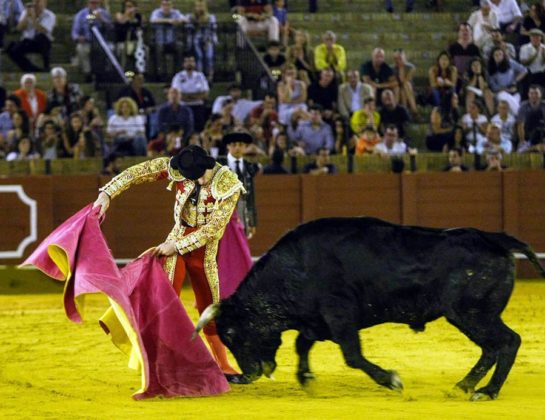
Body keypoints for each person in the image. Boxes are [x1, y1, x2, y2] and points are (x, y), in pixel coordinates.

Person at [92, 145, 249, 384]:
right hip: (175, 242)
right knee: (164, 299)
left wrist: (177, 245)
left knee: (210, 307)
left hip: (203, 251)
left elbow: (213, 230)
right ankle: (160, 362)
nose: (193, 181)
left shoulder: (228, 184)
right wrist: (107, 193)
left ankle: (223, 364)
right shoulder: (179, 167)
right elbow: (139, 172)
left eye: (196, 176)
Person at [220, 131, 259, 238]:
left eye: (241, 145)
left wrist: (252, 222)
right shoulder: (219, 165)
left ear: (245, 147)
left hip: (243, 211)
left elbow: (251, 197)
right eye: (234, 145)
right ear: (228, 146)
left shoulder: (249, 166)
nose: (237, 148)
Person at [5, 0, 55, 72]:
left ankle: (46, 66)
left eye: (38, 2)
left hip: (43, 42)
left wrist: (33, 18)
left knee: (41, 37)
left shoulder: (50, 15)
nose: (36, 4)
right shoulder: (25, 13)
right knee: (11, 49)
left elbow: (43, 30)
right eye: (35, 1)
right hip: (28, 41)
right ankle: (31, 69)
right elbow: (19, 28)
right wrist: (26, 16)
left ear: (44, 3)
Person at [71, 0, 112, 81]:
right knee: (81, 48)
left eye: (96, 3)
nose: (94, 5)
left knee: (109, 49)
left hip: (101, 42)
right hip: (87, 41)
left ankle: (102, 74)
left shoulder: (105, 14)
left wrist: (101, 19)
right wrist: (78, 38)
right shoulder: (80, 14)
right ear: (88, 3)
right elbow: (74, 32)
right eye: (92, 3)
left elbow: (111, 28)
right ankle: (88, 73)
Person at [150, 0, 187, 80]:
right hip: (159, 41)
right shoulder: (157, 12)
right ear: (161, 5)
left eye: (168, 5)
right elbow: (153, 20)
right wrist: (168, 21)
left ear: (171, 6)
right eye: (164, 5)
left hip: (172, 41)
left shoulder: (175, 13)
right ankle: (161, 74)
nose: (166, 7)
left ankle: (178, 73)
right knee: (158, 49)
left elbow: (185, 19)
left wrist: (179, 21)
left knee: (180, 46)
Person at [171, 53, 209, 131]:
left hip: (198, 107)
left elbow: (205, 94)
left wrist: (188, 96)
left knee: (198, 129)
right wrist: (196, 96)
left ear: (195, 63)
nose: (189, 63)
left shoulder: (200, 76)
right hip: (183, 107)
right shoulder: (178, 77)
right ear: (183, 64)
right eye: (187, 61)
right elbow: (177, 94)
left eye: (191, 61)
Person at [487, 47, 527, 115]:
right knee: (505, 98)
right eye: (496, 55)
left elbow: (524, 70)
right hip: (500, 92)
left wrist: (515, 81)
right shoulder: (490, 68)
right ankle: (523, 116)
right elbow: (494, 86)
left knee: (513, 103)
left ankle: (519, 118)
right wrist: (506, 90)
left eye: (500, 54)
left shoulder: (510, 62)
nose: (498, 57)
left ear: (503, 55)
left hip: (513, 90)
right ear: (492, 57)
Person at [187, 0, 217, 81]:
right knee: (199, 57)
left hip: (208, 40)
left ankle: (210, 76)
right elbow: (188, 28)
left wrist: (211, 40)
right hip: (196, 40)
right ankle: (200, 76)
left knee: (209, 57)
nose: (200, 8)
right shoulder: (191, 17)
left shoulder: (210, 17)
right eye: (198, 6)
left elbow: (213, 29)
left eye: (202, 6)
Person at [447, 23, 481, 91]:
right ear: (458, 33)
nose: (465, 32)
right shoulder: (452, 47)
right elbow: (449, 64)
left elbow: (478, 64)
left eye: (467, 30)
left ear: (471, 32)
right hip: (455, 78)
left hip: (471, 78)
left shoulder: (475, 48)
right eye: (462, 30)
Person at [114, 0, 144, 70]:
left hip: (134, 41)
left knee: (141, 49)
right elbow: (121, 21)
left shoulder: (138, 16)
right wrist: (127, 14)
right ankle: (123, 70)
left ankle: (139, 71)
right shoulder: (119, 14)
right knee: (125, 49)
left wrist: (133, 15)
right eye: (127, 6)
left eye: (130, 6)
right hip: (122, 41)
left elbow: (139, 25)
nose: (129, 8)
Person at [516, 85, 545, 152]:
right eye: (532, 93)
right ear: (528, 94)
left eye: (536, 93)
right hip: (528, 137)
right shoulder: (523, 106)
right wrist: (522, 141)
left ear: (540, 94)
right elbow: (520, 125)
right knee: (520, 152)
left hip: (542, 136)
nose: (534, 96)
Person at [392, 49, 418, 115]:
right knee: (398, 89)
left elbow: (404, 80)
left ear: (404, 57)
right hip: (397, 89)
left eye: (400, 58)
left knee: (406, 85)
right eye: (396, 58)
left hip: (409, 90)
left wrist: (401, 68)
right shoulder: (392, 68)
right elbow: (395, 82)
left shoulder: (411, 67)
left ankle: (414, 111)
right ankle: (399, 112)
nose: (397, 60)